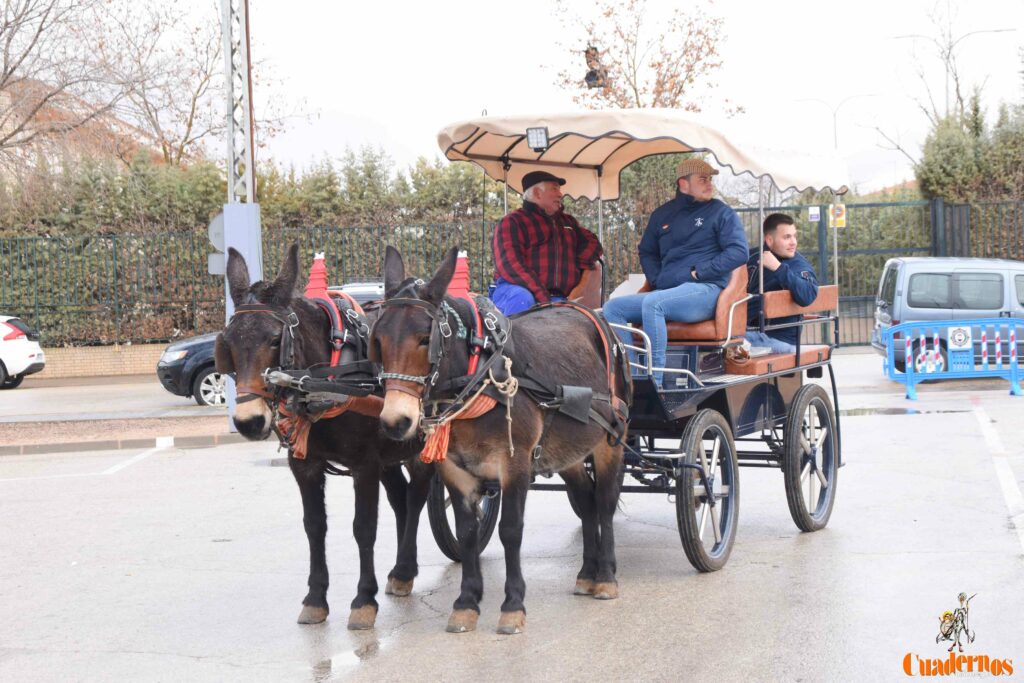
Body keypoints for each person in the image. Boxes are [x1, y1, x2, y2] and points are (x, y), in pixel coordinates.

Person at [602, 158, 748, 385]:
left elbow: (739, 252)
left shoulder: (721, 212)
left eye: (710, 179)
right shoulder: (662, 215)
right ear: (683, 184)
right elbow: (647, 251)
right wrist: (656, 278)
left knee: (654, 304)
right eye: (703, 179)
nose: (709, 184)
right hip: (667, 291)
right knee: (612, 309)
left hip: (705, 290)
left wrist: (700, 272)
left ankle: (654, 382)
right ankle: (630, 379)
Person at [490, 171, 603, 315]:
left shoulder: (568, 222)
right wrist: (543, 297)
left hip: (560, 296)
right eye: (555, 189)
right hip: (515, 289)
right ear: (537, 193)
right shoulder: (512, 222)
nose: (560, 194)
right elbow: (511, 265)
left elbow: (593, 243)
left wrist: (580, 265)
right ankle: (511, 337)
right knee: (522, 298)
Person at [744, 213, 819, 354]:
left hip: (776, 340)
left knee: (723, 338)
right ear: (769, 240)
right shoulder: (751, 257)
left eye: (794, 236)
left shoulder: (798, 264)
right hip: (750, 333)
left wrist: (778, 268)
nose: (793, 242)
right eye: (787, 237)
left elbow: (808, 295)